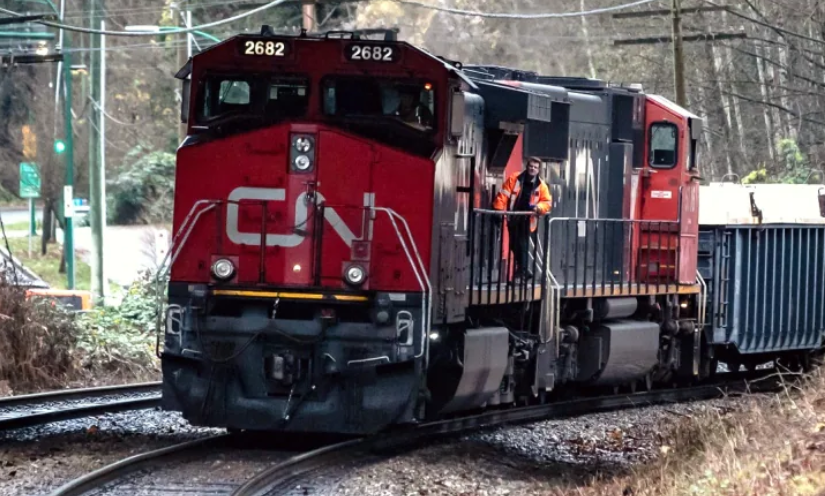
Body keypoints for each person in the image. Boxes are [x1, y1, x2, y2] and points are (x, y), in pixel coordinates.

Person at [492, 156, 552, 279]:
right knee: (513, 244)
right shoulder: (515, 178)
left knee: (522, 243)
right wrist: (498, 209)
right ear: (527, 166)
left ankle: (523, 271)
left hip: (528, 219)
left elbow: (546, 202)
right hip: (514, 217)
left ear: (538, 170)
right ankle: (523, 269)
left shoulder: (542, 186)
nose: (532, 169)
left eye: (535, 167)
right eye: (531, 166)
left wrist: (538, 208)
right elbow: (503, 194)